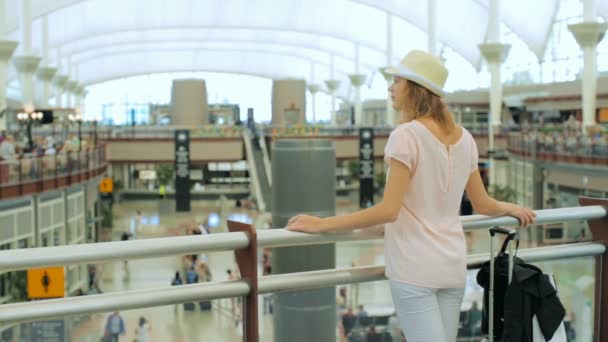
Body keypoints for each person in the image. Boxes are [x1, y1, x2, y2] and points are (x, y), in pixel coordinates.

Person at [286, 50, 536, 342]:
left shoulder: (406, 136)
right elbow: (482, 204)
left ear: (416, 89)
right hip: (452, 266)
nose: (390, 88)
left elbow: (388, 210)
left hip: (413, 268)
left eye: (397, 80)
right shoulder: (465, 138)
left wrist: (322, 224)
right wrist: (513, 207)